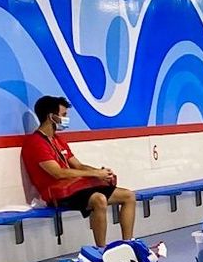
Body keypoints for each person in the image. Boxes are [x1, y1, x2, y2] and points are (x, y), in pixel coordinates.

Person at [22, 94, 137, 247]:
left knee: (128, 196)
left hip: (75, 188)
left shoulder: (58, 140)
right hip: (57, 194)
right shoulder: (35, 143)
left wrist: (101, 172)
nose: (66, 118)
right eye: (63, 115)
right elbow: (58, 173)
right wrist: (95, 174)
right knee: (99, 199)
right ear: (51, 117)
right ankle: (101, 250)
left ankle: (128, 244)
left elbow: (78, 166)